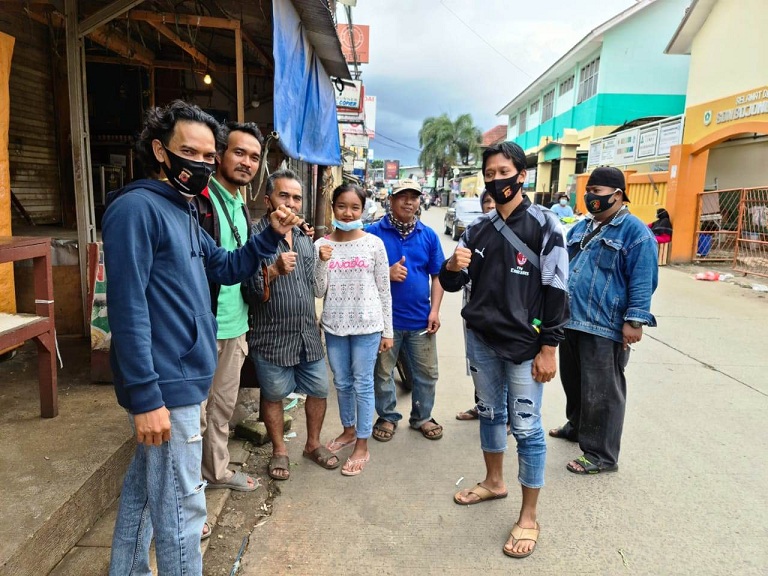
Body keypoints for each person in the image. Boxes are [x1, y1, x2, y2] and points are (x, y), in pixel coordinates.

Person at [102, 100, 298, 575]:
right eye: (191, 152)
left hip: (186, 376)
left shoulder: (185, 210)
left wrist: (270, 235)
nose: (203, 164)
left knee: (147, 495)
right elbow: (126, 312)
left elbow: (226, 267)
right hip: (167, 387)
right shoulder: (136, 210)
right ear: (160, 151)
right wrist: (147, 398)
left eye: (210, 156)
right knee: (183, 510)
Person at [439, 141, 569, 559]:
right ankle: (495, 482)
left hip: (524, 347)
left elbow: (557, 291)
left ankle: (529, 515)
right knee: (491, 415)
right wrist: (451, 267)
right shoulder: (476, 229)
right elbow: (456, 284)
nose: (497, 180)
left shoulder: (547, 226)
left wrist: (549, 347)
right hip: (480, 340)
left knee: (528, 428)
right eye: (490, 174)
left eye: (503, 172)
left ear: (522, 175)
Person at [550, 166, 658, 475]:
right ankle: (577, 426)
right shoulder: (582, 227)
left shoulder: (636, 233)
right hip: (572, 319)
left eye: (597, 192)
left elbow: (642, 279)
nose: (590, 197)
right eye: (589, 191)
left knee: (602, 391)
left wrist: (635, 321)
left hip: (605, 324)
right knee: (574, 381)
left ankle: (601, 455)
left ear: (618, 195)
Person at [248, 169, 340, 481]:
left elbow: (316, 288)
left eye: (296, 197)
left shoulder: (304, 238)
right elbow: (249, 290)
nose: (290, 203)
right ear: (268, 199)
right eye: (283, 195)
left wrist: (323, 260)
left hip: (307, 335)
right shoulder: (254, 238)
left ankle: (312, 445)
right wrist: (271, 271)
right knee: (273, 396)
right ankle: (279, 451)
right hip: (270, 337)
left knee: (318, 389)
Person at [193, 121, 263, 497]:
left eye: (254, 156)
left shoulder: (240, 203)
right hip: (200, 328)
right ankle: (188, 494)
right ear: (218, 155)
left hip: (234, 326)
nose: (247, 163)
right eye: (239, 153)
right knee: (194, 416)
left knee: (221, 408)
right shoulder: (199, 201)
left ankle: (216, 471)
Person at [314, 184, 394, 476]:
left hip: (368, 325)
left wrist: (388, 331)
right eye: (342, 206)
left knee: (362, 384)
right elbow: (318, 290)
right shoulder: (321, 245)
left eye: (355, 208)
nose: (348, 213)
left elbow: (384, 290)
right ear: (333, 207)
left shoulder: (374, 244)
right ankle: (348, 430)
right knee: (342, 383)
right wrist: (321, 262)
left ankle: (362, 443)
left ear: (363, 210)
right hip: (335, 325)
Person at [367, 179, 446, 442]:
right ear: (391, 199)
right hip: (382, 322)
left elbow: (437, 277)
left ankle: (422, 417)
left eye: (414, 197)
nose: (409, 202)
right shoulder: (372, 233)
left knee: (427, 373)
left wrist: (434, 311)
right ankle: (387, 416)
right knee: (382, 373)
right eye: (403, 196)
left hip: (420, 320)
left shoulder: (429, 235)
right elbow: (356, 272)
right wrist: (385, 273)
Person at [455, 189, 506, 423]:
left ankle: (506, 416)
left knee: (505, 363)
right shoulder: (475, 231)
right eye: (487, 201)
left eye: (496, 201)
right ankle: (482, 405)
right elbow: (456, 275)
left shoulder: (519, 232)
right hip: (475, 305)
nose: (491, 205)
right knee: (478, 361)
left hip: (506, 313)